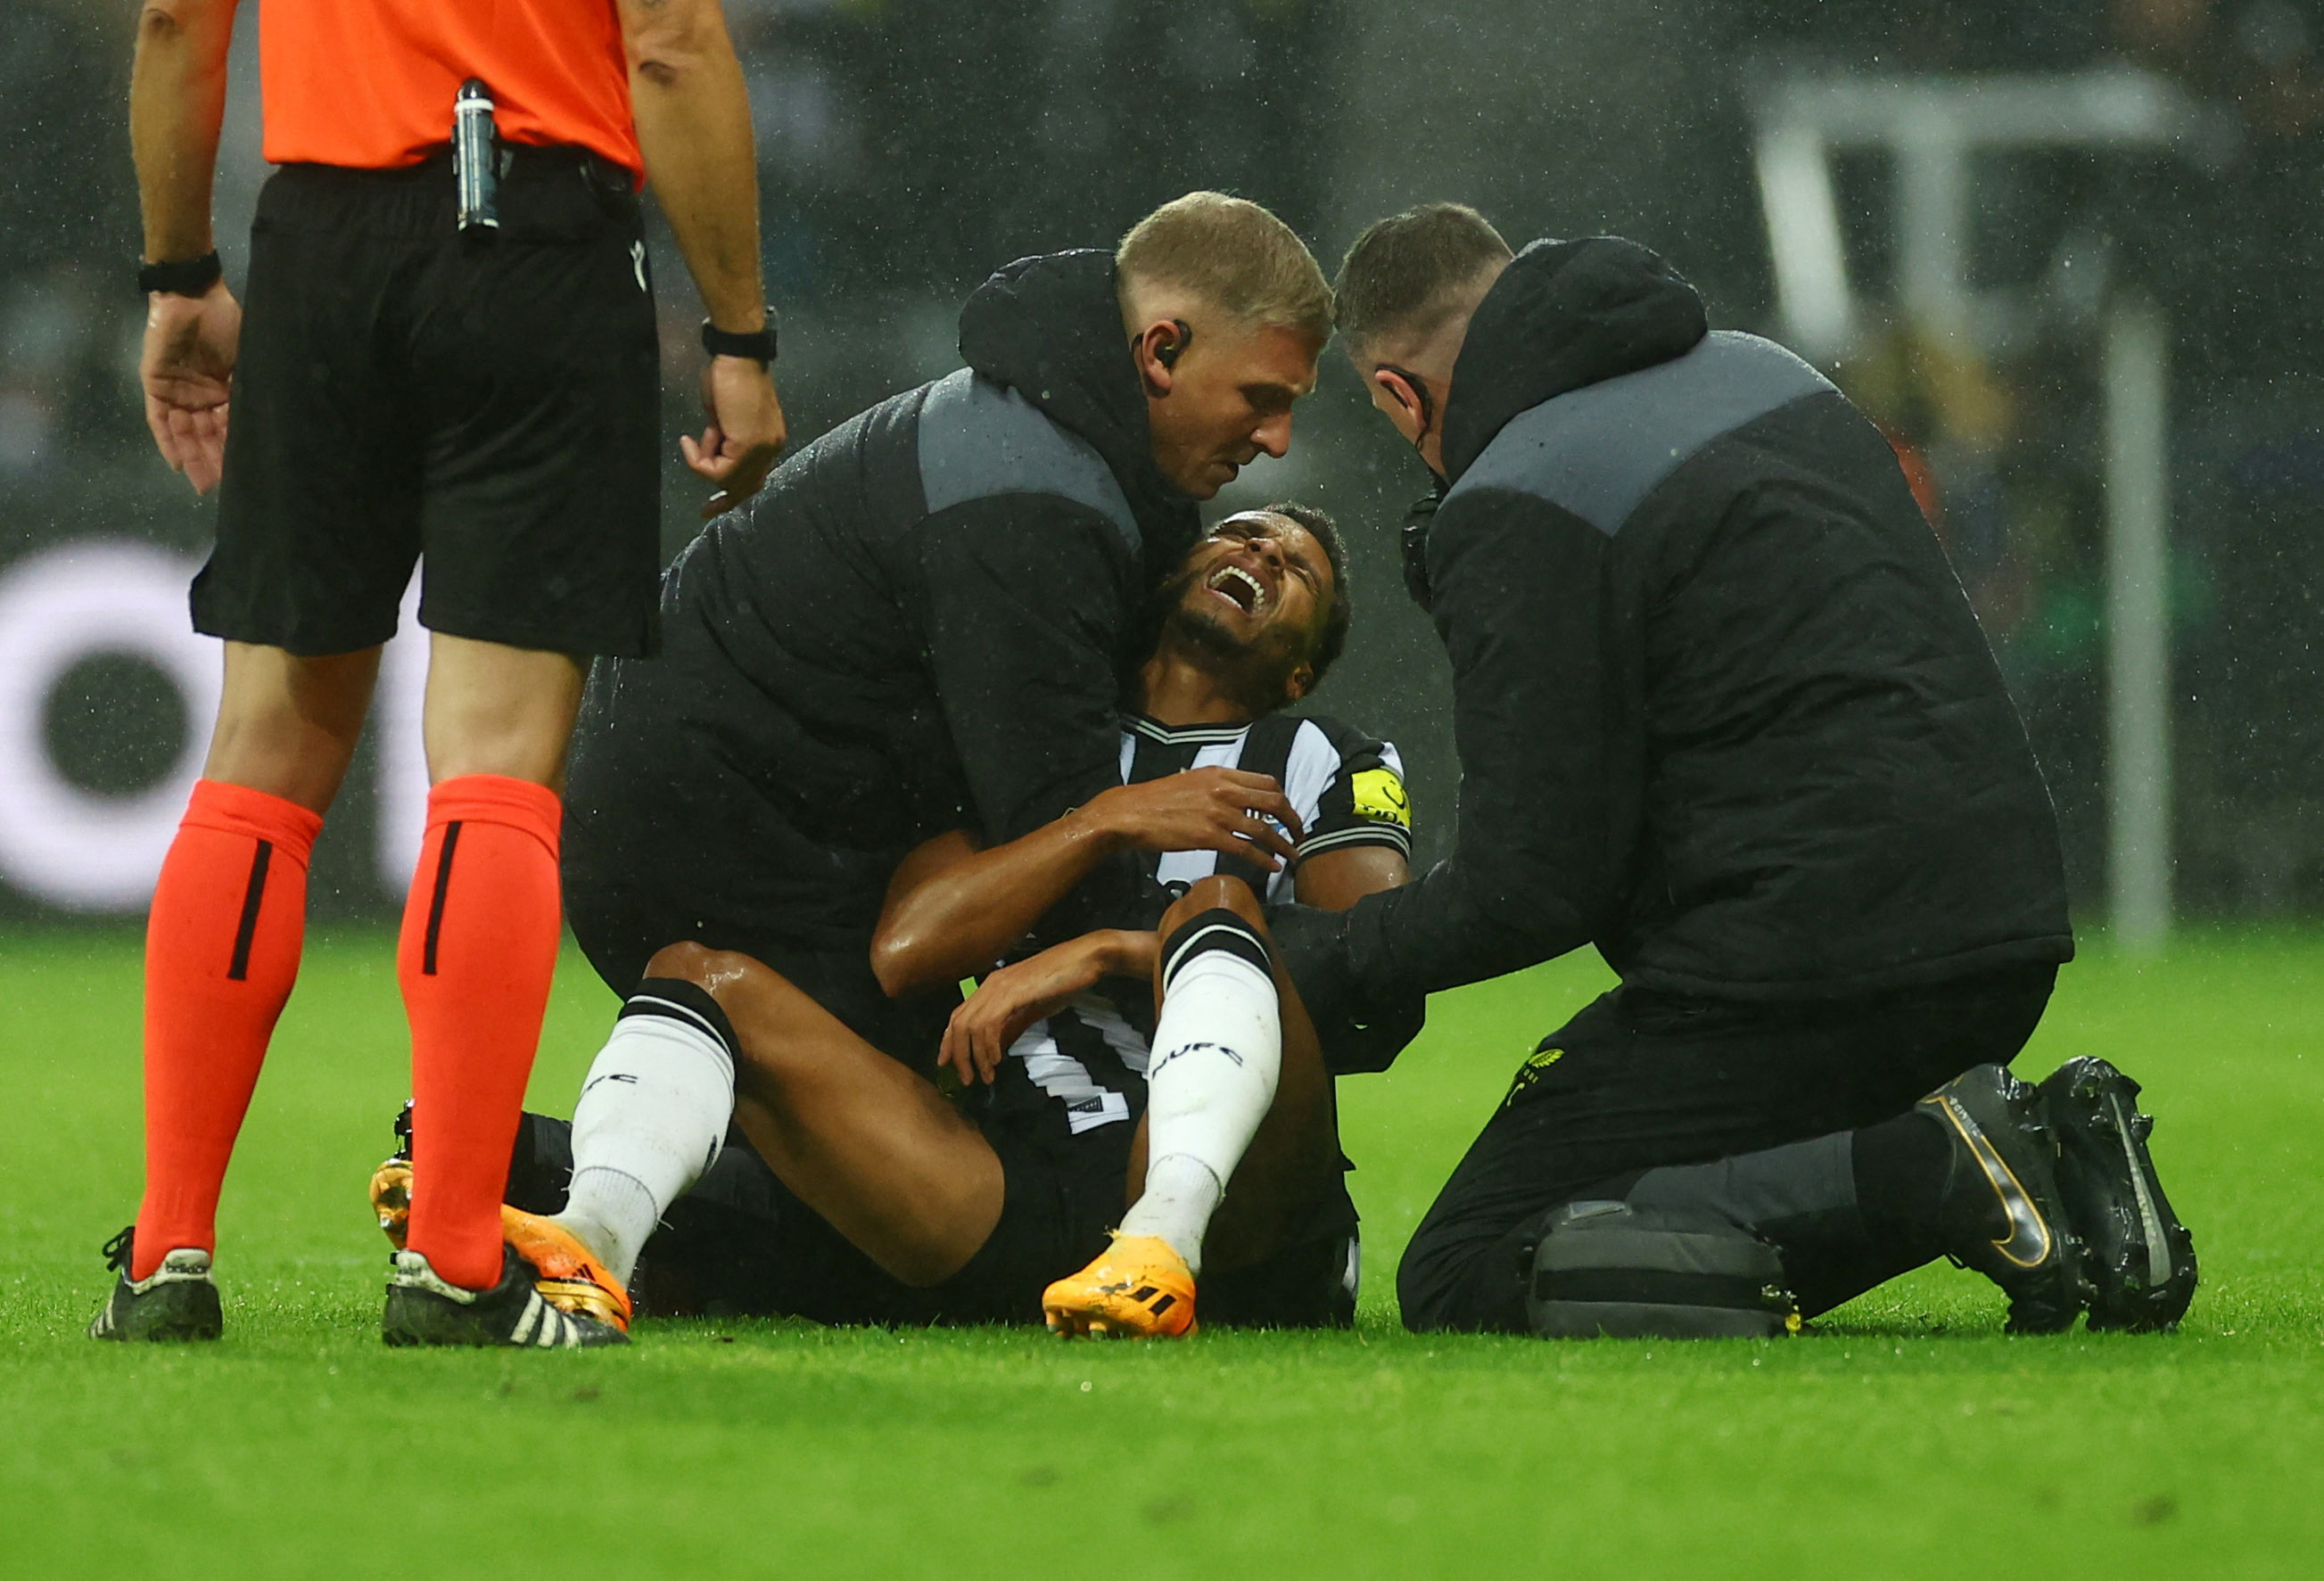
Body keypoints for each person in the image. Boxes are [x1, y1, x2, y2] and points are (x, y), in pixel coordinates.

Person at [1279, 203, 2195, 1338]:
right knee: (1629, 1211)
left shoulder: (1517, 491)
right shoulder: (1768, 375)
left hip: (1805, 966)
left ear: (1396, 394)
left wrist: (1325, 960)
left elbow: (1536, 882)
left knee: (1472, 1266)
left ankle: (1934, 1166)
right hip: (1997, 934)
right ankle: (2051, 1164)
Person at [95, 0, 787, 1348]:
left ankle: (168, 1247)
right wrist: (740, 337)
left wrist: (180, 272)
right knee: (494, 755)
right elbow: (670, 42)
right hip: (536, 237)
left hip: (317, 243)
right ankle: (458, 1257)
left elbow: (178, 20)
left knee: (263, 752)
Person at [373, 506, 1414, 1333]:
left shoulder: (1325, 758)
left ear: (1298, 670)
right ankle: (589, 1237)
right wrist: (1101, 822)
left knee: (1217, 904)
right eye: (1240, 533)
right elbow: (908, 945)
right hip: (1019, 1182)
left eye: (1300, 571)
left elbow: (1371, 994)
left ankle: (1162, 1242)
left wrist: (1106, 950)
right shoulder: (1037, 729)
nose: (1261, 554)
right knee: (698, 973)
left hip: (1249, 1220)